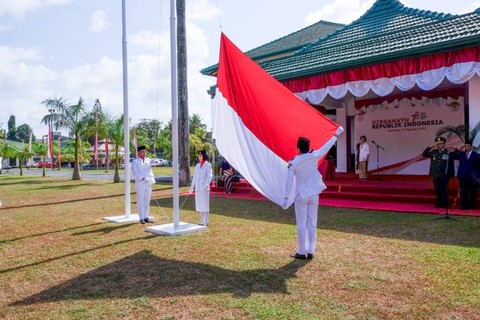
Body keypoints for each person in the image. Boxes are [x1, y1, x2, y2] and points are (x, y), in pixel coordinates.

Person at [282, 135, 337, 260]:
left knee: (301, 223)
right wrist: (335, 136)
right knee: (312, 222)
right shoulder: (314, 155)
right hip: (314, 193)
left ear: (298, 149)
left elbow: (289, 181)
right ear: (308, 147)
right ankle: (311, 251)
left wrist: (285, 198)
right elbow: (326, 147)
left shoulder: (294, 161)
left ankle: (302, 251)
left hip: (302, 194)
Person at [422, 136, 455, 208]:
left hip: (444, 174)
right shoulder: (434, 152)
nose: (439, 145)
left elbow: (451, 164)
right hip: (435, 174)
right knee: (437, 190)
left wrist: (451, 174)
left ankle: (445, 204)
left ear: (444, 144)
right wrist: (429, 147)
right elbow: (424, 154)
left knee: (444, 189)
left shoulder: (448, 152)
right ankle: (438, 203)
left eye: (441, 143)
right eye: (438, 144)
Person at [131, 145, 156, 224]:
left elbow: (154, 162)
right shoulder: (135, 162)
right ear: (138, 153)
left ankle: (146, 217)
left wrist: (156, 160)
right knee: (140, 200)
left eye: (145, 152)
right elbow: (135, 172)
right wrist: (142, 178)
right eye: (142, 152)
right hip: (140, 183)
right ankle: (141, 217)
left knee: (147, 200)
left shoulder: (148, 160)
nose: (144, 153)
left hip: (148, 183)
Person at [453, 141, 480, 209]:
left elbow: (478, 167)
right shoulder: (461, 154)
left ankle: (472, 206)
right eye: (465, 146)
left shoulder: (476, 155)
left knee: (472, 191)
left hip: (472, 177)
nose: (466, 147)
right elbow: (452, 156)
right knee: (463, 191)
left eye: (468, 146)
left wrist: (478, 176)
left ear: (471, 147)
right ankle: (464, 205)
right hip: (463, 176)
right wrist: (456, 150)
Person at [189, 150, 213, 226]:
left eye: (200, 156)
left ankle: (206, 220)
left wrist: (206, 184)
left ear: (204, 156)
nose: (199, 157)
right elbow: (195, 177)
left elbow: (209, 176)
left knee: (205, 204)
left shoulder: (208, 165)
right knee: (200, 204)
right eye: (198, 156)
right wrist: (192, 187)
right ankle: (202, 220)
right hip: (198, 187)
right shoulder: (197, 165)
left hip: (204, 188)